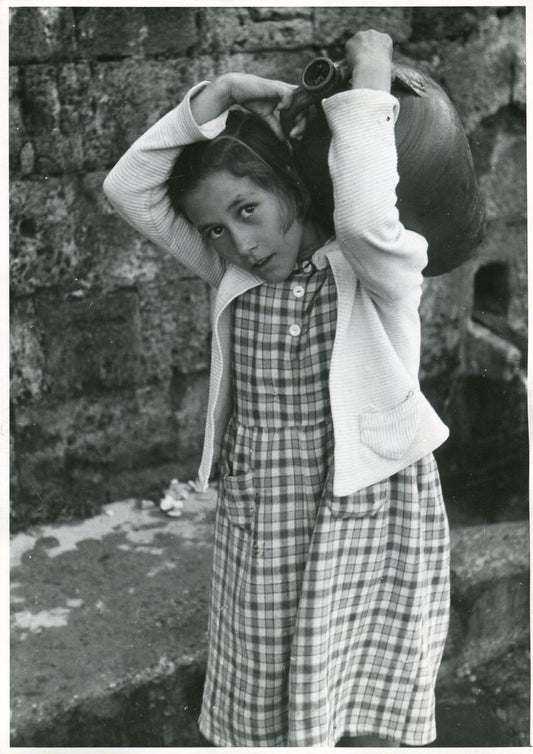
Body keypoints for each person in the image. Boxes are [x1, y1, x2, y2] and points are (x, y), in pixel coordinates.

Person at [104, 29, 451, 748]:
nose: (238, 242)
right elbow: (125, 187)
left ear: (289, 189)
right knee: (264, 700)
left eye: (246, 210)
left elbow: (359, 211)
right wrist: (219, 95)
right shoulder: (231, 274)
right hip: (264, 516)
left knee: (348, 692)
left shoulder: (375, 271)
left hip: (362, 509)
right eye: (215, 229)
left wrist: (371, 76)